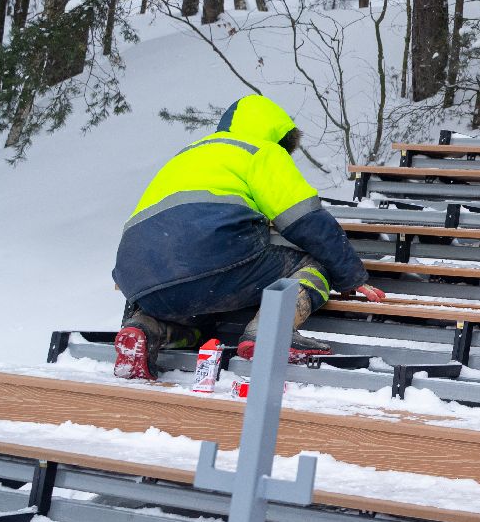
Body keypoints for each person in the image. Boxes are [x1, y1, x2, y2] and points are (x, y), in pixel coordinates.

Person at [111, 94, 385, 380]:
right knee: (318, 262)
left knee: (199, 327)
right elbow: (306, 221)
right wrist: (353, 276)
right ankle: (268, 331)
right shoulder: (261, 151)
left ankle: (144, 330)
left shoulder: (189, 153)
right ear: (280, 136)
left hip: (139, 275)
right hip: (209, 259)